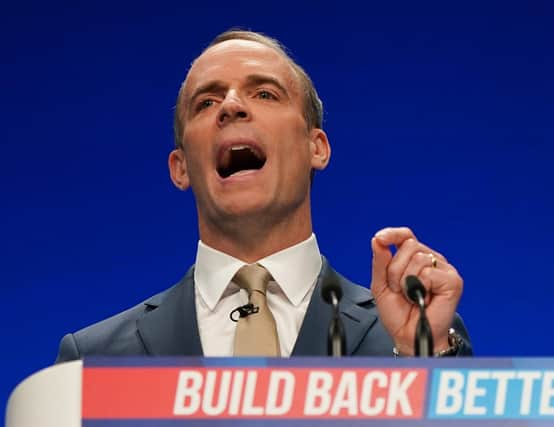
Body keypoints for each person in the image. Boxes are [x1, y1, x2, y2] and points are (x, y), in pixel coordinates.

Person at [56, 30, 472, 361]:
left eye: (265, 94)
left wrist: (423, 357)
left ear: (317, 147)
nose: (231, 106)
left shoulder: (417, 335)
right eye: (207, 102)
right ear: (180, 168)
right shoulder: (93, 358)